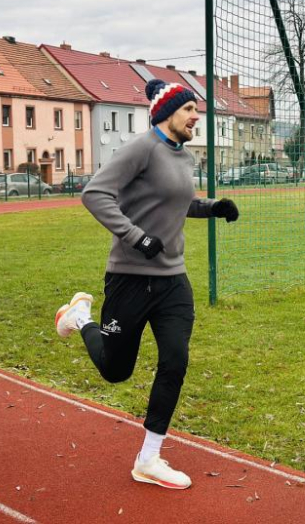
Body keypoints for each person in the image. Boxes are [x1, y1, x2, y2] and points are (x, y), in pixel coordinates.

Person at [55, 79, 239, 490]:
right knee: (115, 371)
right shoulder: (141, 148)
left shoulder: (182, 156)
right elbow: (95, 194)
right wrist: (137, 237)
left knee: (175, 360)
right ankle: (81, 317)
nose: (196, 118)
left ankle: (149, 458)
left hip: (173, 281)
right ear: (168, 112)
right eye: (191, 109)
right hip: (130, 279)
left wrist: (212, 208)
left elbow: (173, 201)